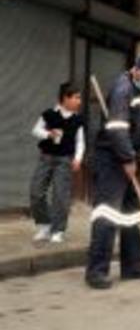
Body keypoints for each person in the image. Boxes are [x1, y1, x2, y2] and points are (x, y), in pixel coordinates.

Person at [85, 53, 140, 290]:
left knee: (130, 215)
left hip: (126, 157)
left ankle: (133, 266)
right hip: (111, 159)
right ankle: (96, 271)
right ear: (136, 70)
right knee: (107, 215)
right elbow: (117, 128)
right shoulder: (123, 90)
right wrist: (126, 158)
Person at [30, 82, 85, 244]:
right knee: (36, 192)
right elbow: (35, 130)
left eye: (80, 98)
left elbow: (80, 142)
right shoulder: (49, 114)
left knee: (61, 196)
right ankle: (44, 226)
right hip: (45, 157)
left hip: (65, 160)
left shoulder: (78, 120)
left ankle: (58, 230)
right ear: (65, 98)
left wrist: (78, 158)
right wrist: (48, 134)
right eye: (76, 98)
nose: (79, 101)